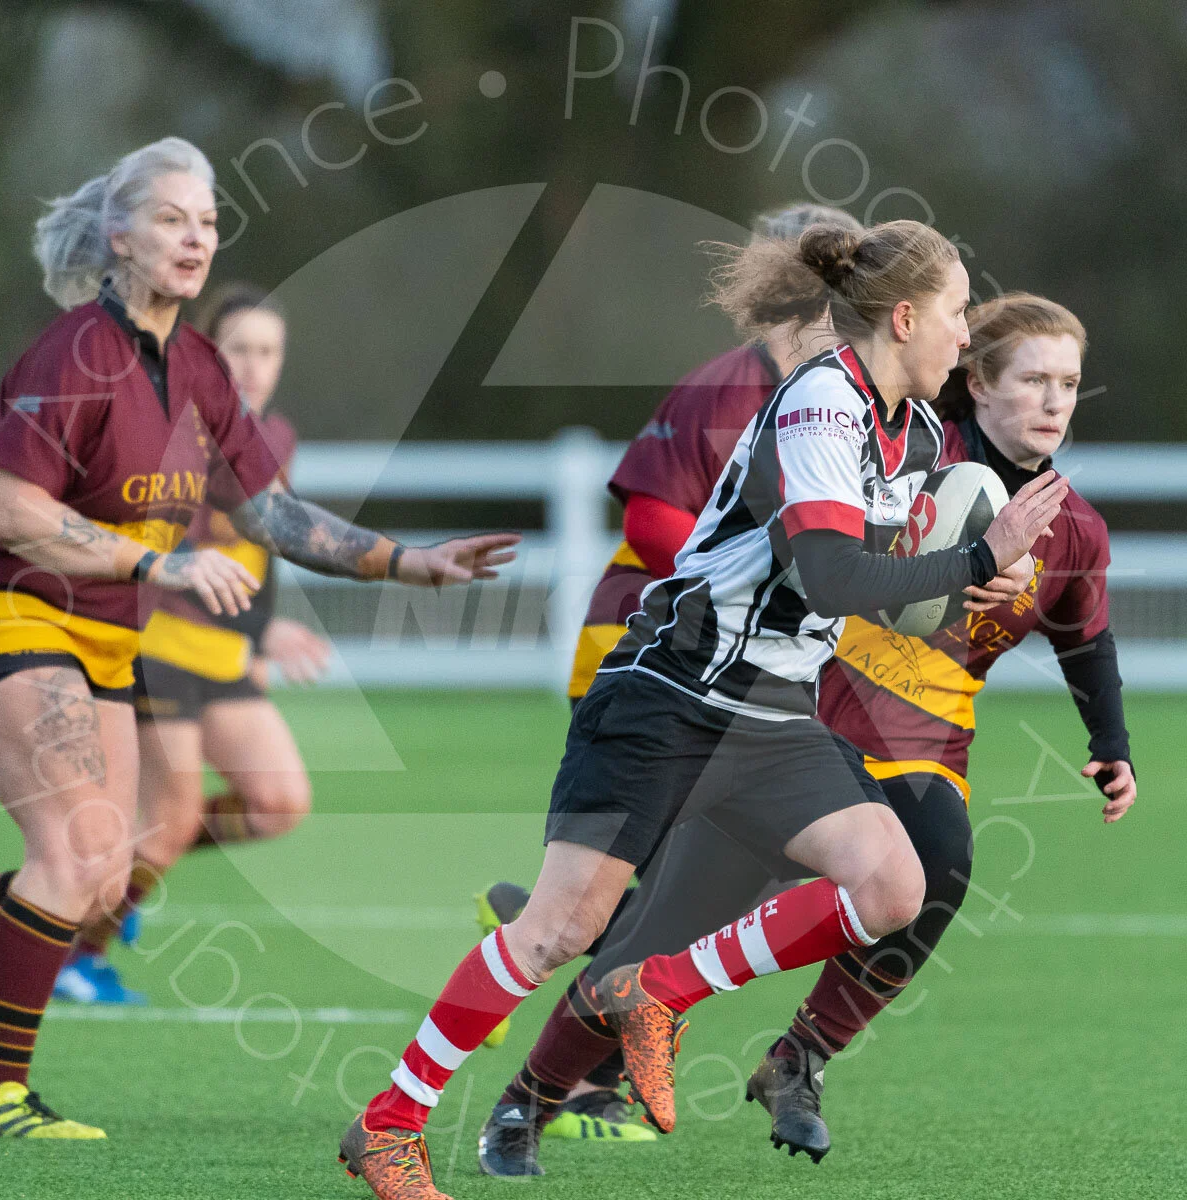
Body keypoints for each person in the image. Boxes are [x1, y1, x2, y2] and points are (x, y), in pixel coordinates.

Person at [0, 137, 517, 1140]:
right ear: (119, 236)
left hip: (98, 628)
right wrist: (160, 566)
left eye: (210, 219)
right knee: (73, 852)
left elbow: (272, 515)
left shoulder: (200, 369)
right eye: (173, 217)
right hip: (1, 606)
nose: (196, 236)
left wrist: (409, 560)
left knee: (100, 872)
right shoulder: (74, 354)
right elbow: (13, 513)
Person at [339, 219, 1065, 1200]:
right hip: (673, 688)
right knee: (557, 928)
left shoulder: (922, 431)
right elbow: (829, 568)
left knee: (894, 884)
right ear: (903, 316)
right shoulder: (821, 407)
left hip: (771, 708)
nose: (965, 330)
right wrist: (981, 553)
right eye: (954, 310)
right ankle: (388, 1126)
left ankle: (660, 989)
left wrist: (968, 590)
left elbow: (883, 587)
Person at [477, 291, 1136, 1176]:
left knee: (936, 861)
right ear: (974, 381)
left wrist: (1112, 745)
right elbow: (820, 521)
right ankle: (530, 1098)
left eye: (1069, 384)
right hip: (810, 702)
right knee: (666, 925)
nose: (1055, 401)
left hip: (928, 735)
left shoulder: (1076, 529)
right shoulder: (914, 449)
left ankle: (800, 1057)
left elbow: (1086, 643)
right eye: (1033, 380)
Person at [472, 201, 864, 1148]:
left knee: (689, 878)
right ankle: (582, 1078)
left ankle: (579, 960)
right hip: (642, 650)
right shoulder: (726, 389)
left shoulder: (834, 399)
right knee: (677, 876)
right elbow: (652, 521)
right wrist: (755, 580)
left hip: (715, 667)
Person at [54, 284, 330, 1005]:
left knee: (277, 803)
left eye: (269, 351)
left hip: (223, 653)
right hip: (160, 641)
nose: (254, 365)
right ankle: (77, 954)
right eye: (238, 348)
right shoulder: (177, 428)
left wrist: (257, 636)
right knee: (170, 818)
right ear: (206, 352)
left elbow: (261, 547)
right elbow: (157, 551)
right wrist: (258, 627)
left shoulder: (280, 435)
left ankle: (130, 875)